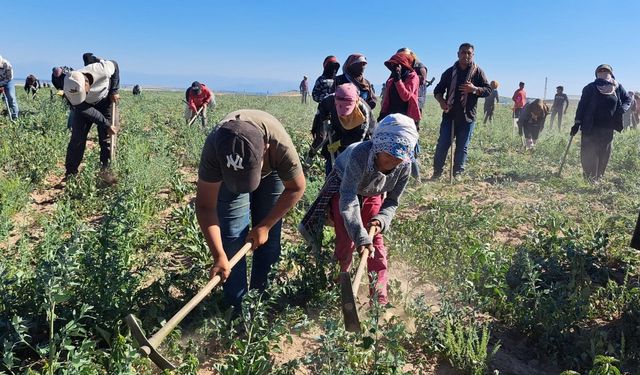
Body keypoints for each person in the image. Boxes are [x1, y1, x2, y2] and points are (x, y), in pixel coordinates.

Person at [299, 114, 418, 305]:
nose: (392, 161)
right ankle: (341, 287)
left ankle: (378, 298)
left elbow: (393, 201)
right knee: (346, 241)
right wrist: (359, 235)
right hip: (344, 186)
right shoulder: (359, 155)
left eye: (398, 157)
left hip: (373, 192)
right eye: (388, 154)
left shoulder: (404, 166)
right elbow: (348, 199)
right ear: (378, 146)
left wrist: (382, 219)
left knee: (376, 246)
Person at [196, 109, 306, 311]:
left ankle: (261, 303)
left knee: (269, 241)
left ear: (265, 149)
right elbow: (205, 207)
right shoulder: (214, 148)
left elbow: (297, 187)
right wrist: (218, 255)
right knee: (230, 241)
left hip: (272, 174)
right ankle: (237, 311)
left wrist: (265, 225)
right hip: (226, 176)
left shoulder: (279, 145)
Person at [431, 43, 491, 179]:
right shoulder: (449, 72)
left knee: (462, 147)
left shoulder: (478, 72)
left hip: (468, 118)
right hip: (449, 116)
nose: (466, 55)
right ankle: (437, 172)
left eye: (469, 53)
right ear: (458, 54)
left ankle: (457, 173)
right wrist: (442, 102)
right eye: (463, 52)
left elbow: (488, 90)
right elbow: (438, 90)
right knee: (442, 145)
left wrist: (474, 89)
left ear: (473, 55)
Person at [570, 64, 632, 181]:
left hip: (608, 127)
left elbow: (628, 99)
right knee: (589, 152)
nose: (603, 72)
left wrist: (623, 108)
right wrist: (577, 123)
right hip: (590, 126)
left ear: (611, 73)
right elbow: (582, 106)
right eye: (601, 71)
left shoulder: (617, 87)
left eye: (606, 71)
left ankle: (599, 177)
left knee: (604, 152)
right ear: (596, 74)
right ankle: (589, 177)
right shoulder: (590, 88)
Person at [62, 59, 120, 181]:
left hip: (104, 102)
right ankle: (71, 174)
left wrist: (114, 90)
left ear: (86, 83)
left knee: (106, 139)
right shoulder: (69, 85)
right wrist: (106, 124)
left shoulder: (102, 70)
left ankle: (106, 174)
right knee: (77, 139)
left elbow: (115, 65)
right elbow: (85, 109)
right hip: (84, 108)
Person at [309, 82, 376, 175]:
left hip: (361, 137)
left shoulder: (363, 111)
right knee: (331, 161)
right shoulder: (329, 100)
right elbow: (323, 108)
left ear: (355, 102)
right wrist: (325, 121)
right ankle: (330, 181)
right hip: (339, 130)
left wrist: (340, 143)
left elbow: (358, 139)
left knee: (351, 165)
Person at [0, 55, 19, 120]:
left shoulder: (7, 65)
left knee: (11, 96)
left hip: (8, 81)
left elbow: (9, 78)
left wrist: (1, 85)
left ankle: (15, 117)